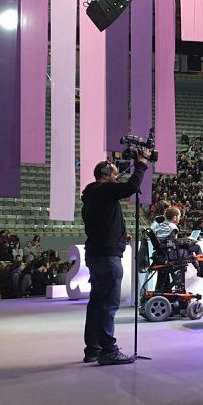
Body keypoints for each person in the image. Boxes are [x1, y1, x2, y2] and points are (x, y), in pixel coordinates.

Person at [81, 151, 149, 365]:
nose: (116, 177)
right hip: (107, 257)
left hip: (97, 253)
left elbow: (103, 223)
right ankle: (108, 350)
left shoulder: (92, 195)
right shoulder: (103, 190)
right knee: (108, 304)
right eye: (114, 174)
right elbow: (130, 188)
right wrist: (141, 165)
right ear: (105, 174)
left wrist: (120, 235)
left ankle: (93, 348)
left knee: (97, 303)